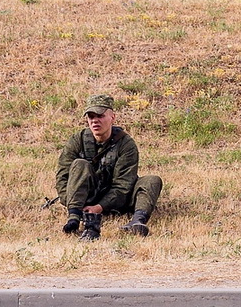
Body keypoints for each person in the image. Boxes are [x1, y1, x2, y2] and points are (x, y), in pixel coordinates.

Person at [55, 94, 163, 241]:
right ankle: (74, 217)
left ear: (112, 117)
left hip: (118, 200)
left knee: (152, 180)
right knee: (80, 164)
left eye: (100, 116)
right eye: (91, 117)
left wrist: (99, 207)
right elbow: (63, 177)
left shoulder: (126, 144)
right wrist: (71, 203)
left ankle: (138, 220)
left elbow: (124, 185)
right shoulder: (77, 140)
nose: (95, 121)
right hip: (85, 195)